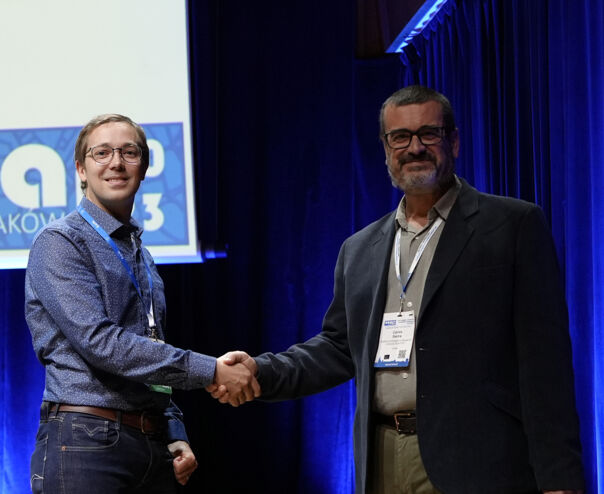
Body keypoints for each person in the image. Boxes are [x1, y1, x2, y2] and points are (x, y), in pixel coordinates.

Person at [210, 86, 585, 494]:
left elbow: (544, 363)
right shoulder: (360, 248)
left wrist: (559, 477)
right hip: (383, 458)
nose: (414, 148)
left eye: (429, 134)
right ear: (386, 149)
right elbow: (338, 348)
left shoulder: (511, 226)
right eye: (400, 138)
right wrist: (260, 372)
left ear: (454, 141)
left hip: (480, 462)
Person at [25, 113, 260, 493]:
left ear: (144, 167)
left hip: (149, 443)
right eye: (101, 153)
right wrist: (212, 371)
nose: (116, 162)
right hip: (86, 441)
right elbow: (102, 344)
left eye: (128, 152)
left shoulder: (141, 255)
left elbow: (150, 347)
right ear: (81, 170)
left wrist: (172, 428)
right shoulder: (60, 242)